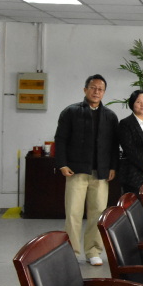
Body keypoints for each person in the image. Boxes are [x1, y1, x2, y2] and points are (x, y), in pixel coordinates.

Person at [54, 74, 118, 266]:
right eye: (93, 87)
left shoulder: (110, 116)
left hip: (100, 173)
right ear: (85, 90)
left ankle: (93, 251)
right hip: (76, 171)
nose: (96, 91)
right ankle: (72, 252)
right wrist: (62, 164)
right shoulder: (71, 112)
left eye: (100, 89)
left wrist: (113, 166)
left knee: (97, 214)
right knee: (73, 213)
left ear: (104, 92)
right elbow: (61, 139)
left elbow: (114, 145)